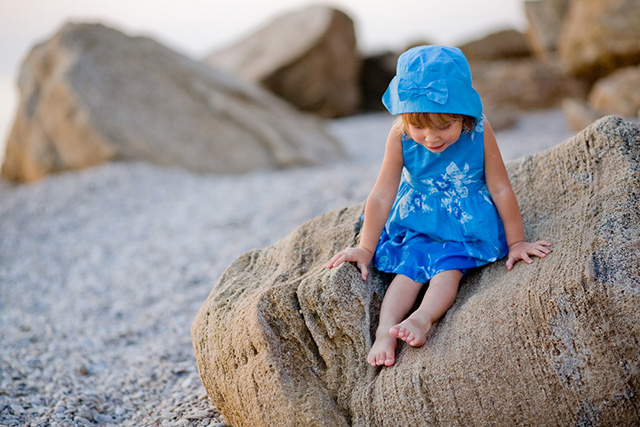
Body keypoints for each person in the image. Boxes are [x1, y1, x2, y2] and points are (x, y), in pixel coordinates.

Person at [324, 45, 551, 367]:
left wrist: (517, 242)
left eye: (444, 127)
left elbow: (500, 188)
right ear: (405, 118)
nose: (431, 138)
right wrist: (364, 247)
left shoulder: (480, 131)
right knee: (407, 271)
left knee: (447, 270)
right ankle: (384, 333)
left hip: (463, 222)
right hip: (418, 217)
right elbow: (382, 194)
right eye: (419, 127)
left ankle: (422, 318)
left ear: (463, 115)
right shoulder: (400, 135)